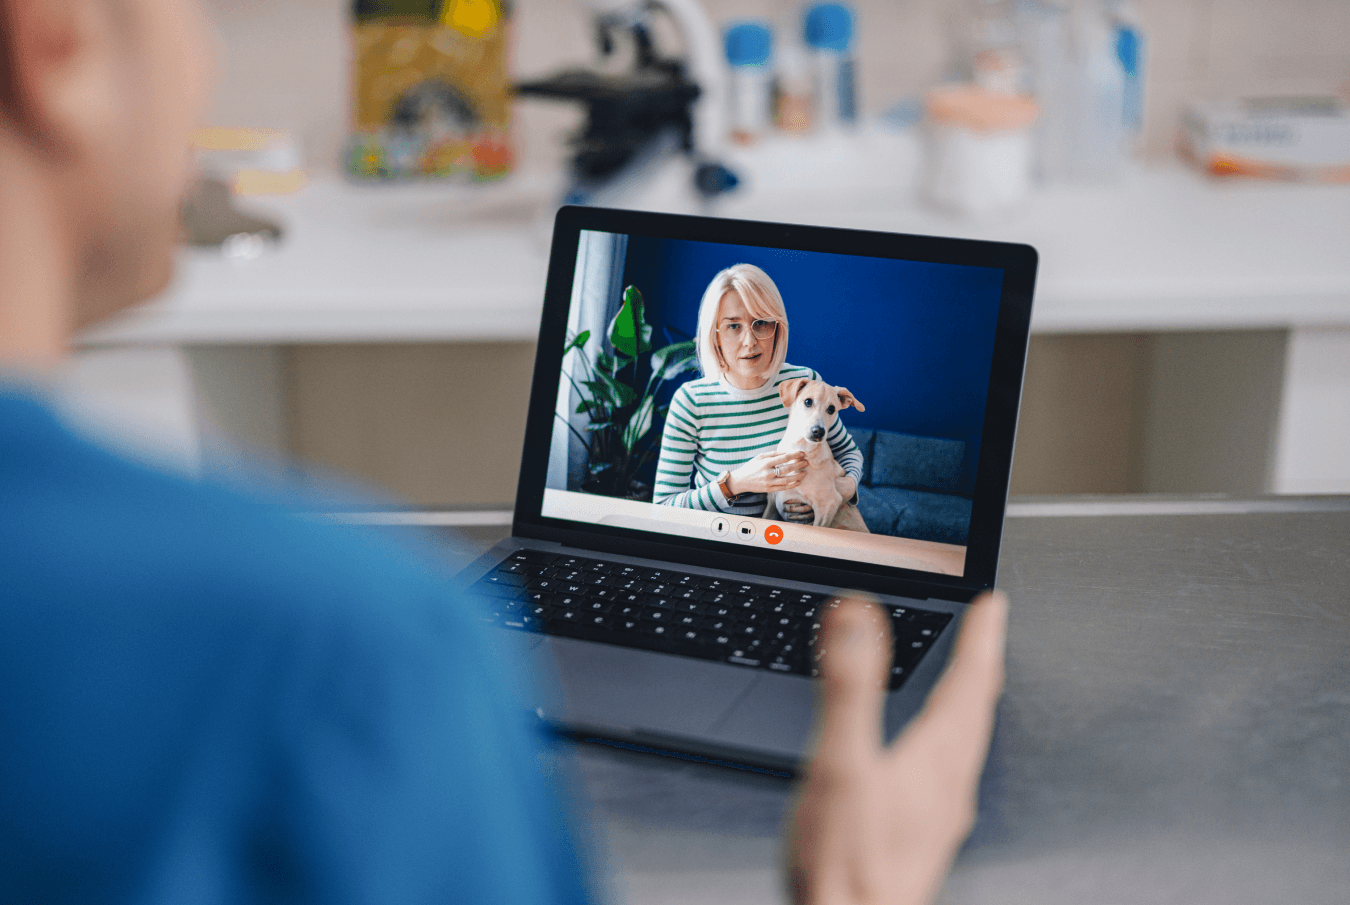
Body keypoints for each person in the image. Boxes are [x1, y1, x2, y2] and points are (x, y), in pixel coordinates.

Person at [0, 0, 1008, 903]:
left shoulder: (805, 387)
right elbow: (669, 500)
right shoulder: (356, 648)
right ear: (55, 37)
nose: (203, 59)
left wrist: (824, 444)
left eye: (768, 331)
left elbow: (848, 482)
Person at [654, 264, 863, 525]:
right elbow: (663, 507)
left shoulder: (805, 386)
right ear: (715, 335)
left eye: (761, 323)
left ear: (777, 328)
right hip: (720, 545)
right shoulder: (691, 402)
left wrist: (843, 491)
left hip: (793, 546)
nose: (750, 341)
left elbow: (848, 454)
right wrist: (735, 483)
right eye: (733, 326)